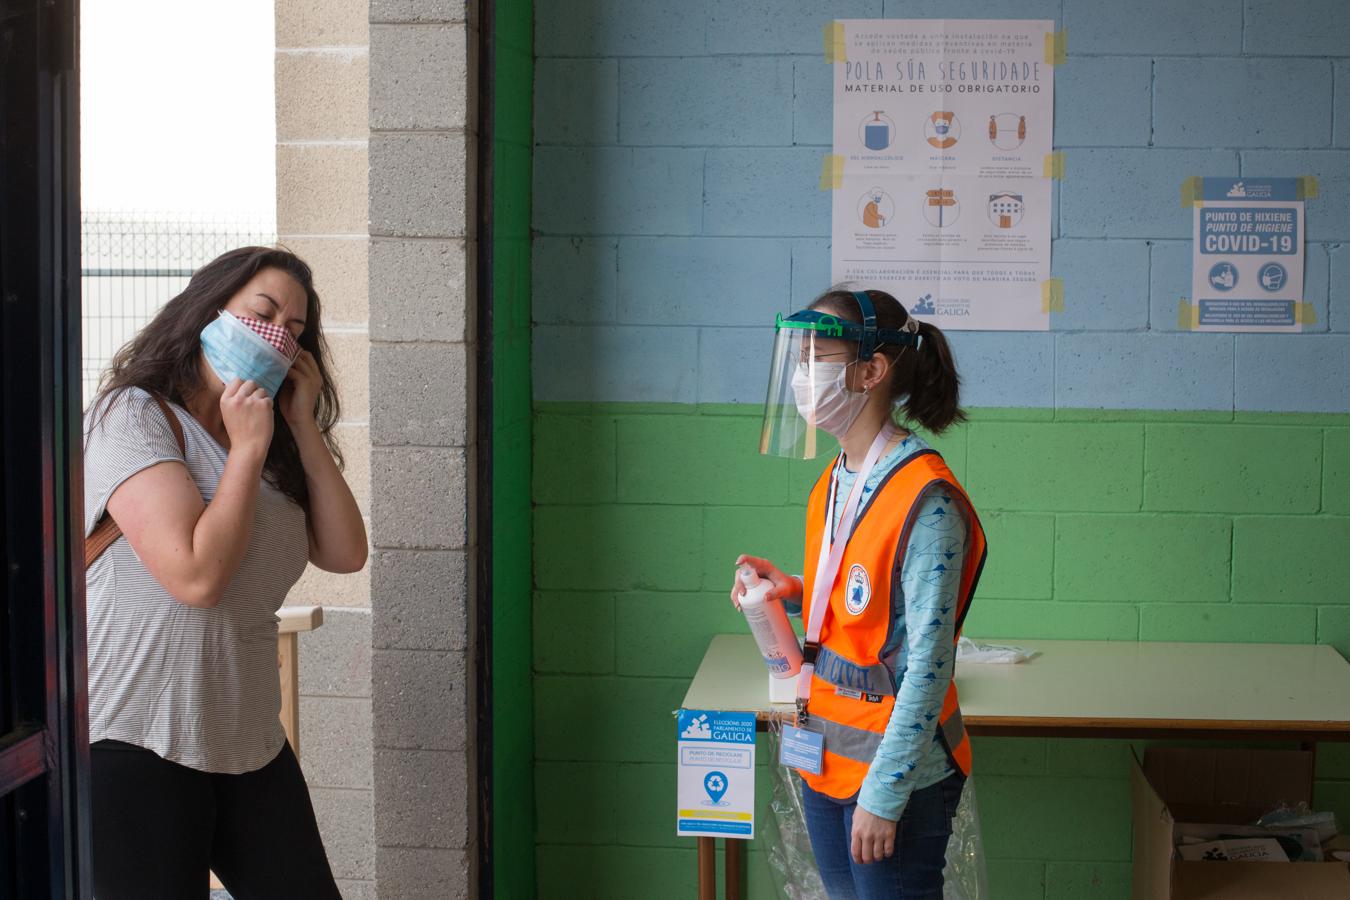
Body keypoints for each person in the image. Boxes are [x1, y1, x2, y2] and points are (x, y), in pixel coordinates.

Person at [83, 247, 367, 899]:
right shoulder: (133, 415)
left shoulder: (272, 444)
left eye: (295, 332)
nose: (279, 337)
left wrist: (299, 425)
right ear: (208, 313)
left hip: (246, 739)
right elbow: (196, 577)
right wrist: (244, 450)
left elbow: (346, 553)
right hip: (132, 734)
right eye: (262, 314)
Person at [732, 288, 987, 900]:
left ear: (871, 371)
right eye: (798, 356)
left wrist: (885, 794)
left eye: (817, 353)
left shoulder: (927, 500)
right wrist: (789, 591)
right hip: (827, 749)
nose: (800, 373)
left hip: (894, 773)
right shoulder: (837, 478)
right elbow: (859, 600)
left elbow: (929, 662)